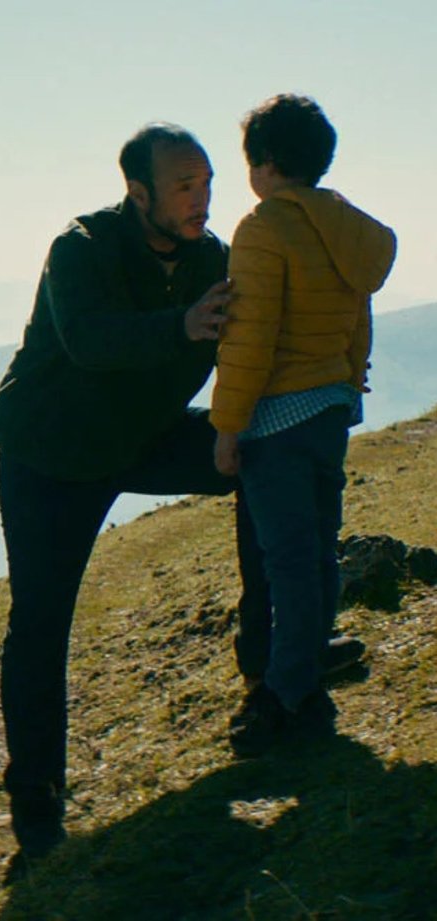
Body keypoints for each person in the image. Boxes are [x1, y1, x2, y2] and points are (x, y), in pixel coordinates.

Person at [0, 123, 265, 865]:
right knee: (40, 625)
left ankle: (268, 671)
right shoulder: (79, 247)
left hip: (142, 438)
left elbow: (250, 337)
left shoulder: (210, 256)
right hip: (50, 454)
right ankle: (36, 801)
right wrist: (179, 325)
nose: (201, 196)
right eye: (182, 184)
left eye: (206, 180)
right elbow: (89, 339)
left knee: (267, 458)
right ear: (136, 192)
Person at [213, 95, 396, 758]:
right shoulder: (348, 229)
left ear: (262, 164)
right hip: (328, 410)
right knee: (316, 550)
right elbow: (356, 316)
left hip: (276, 418)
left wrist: (227, 425)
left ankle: (289, 691)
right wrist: (349, 380)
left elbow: (248, 338)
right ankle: (305, 669)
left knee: (285, 560)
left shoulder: (262, 228)